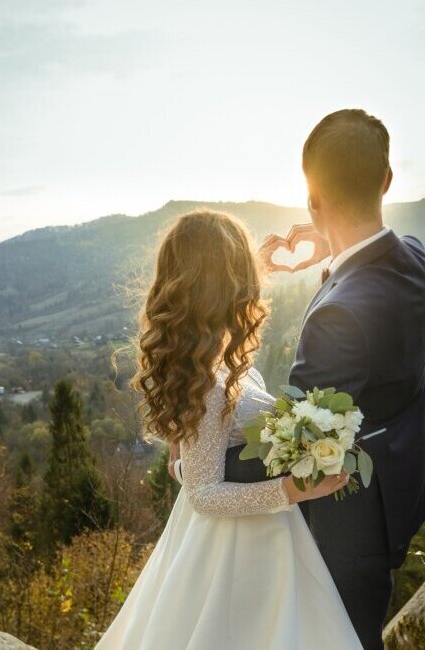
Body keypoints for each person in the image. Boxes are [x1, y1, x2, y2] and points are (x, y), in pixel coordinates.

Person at [98, 209, 361, 649]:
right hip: (239, 553)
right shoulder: (209, 383)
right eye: (245, 271)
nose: (255, 281)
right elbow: (204, 495)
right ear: (228, 283)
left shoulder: (204, 367)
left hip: (250, 537)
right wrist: (293, 490)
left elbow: (183, 463)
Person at [247, 108, 425, 649]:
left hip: (347, 528)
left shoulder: (337, 317)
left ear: (312, 201)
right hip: (398, 488)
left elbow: (295, 447)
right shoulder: (414, 258)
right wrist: (332, 250)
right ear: (387, 180)